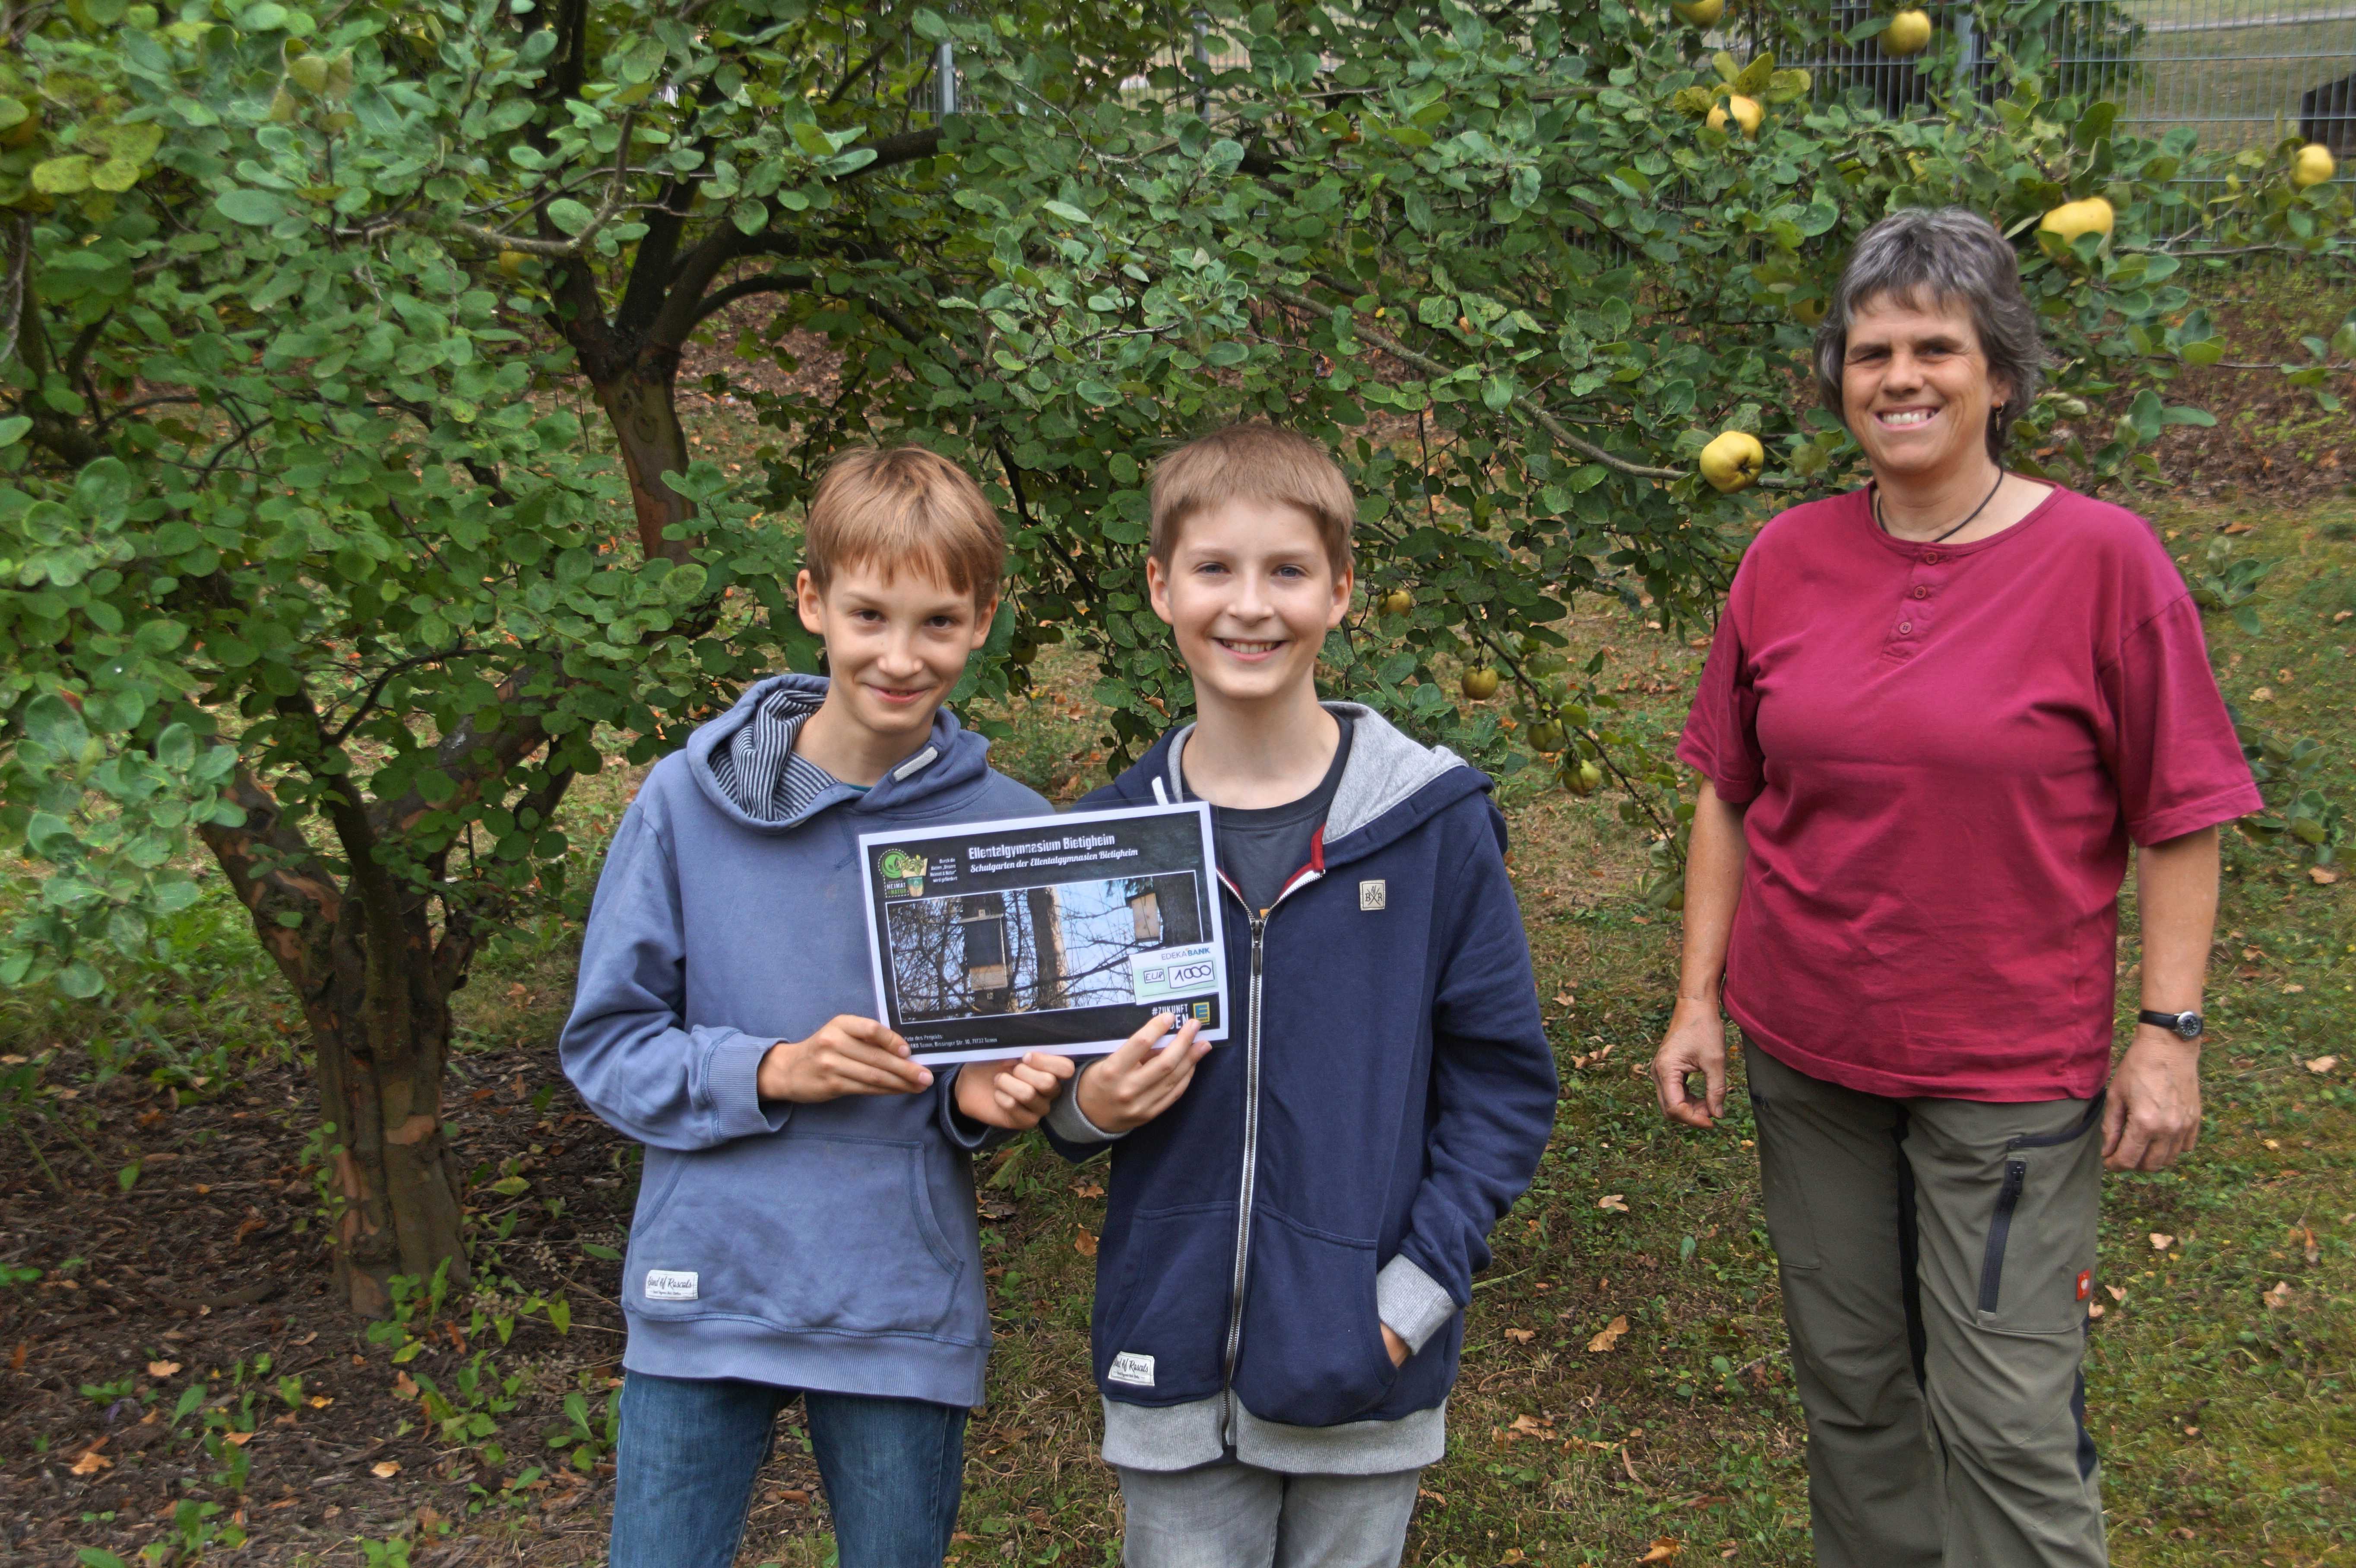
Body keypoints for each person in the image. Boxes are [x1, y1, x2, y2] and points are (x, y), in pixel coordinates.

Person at [1650, 207, 2261, 1568]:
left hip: (2006, 1070)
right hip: (1809, 1059)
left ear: (1999, 371)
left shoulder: (2106, 562)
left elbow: (2183, 817)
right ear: (1838, 378)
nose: (1901, 377)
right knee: (1855, 1395)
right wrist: (1699, 999)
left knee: (2003, 1414)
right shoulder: (1786, 559)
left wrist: (2167, 1036)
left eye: (1937, 345)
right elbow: (1728, 792)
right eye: (1872, 351)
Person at [1043, 423, 1561, 1568]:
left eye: (1287, 572)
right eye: (1215, 569)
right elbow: (1064, 1094)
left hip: (1364, 1363)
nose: (1249, 606)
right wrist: (1092, 1109)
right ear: (1159, 586)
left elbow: (1503, 1089)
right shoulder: (1112, 841)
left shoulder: (1433, 827)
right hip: (1170, 1361)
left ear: (1342, 593)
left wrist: (1407, 1301)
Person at [560, 446, 1082, 1568]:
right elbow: (607, 1049)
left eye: (938, 622)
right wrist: (771, 1070)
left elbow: (992, 1070)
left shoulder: (1010, 826)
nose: (900, 657)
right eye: (868, 615)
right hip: (707, 1287)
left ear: (983, 620)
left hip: (897, 1301)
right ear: (811, 604)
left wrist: (982, 1096)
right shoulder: (681, 806)